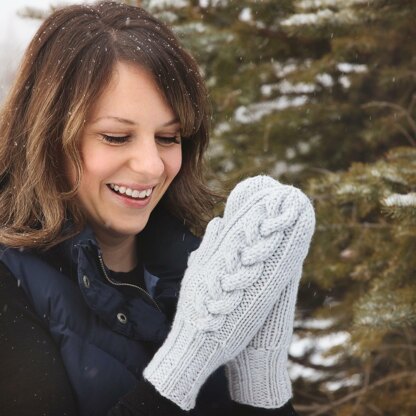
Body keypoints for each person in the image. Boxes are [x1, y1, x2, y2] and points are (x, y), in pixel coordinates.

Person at [0, 2, 315, 415]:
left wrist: (258, 373)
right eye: (116, 136)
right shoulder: (10, 285)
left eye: (168, 138)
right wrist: (186, 360)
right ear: (47, 137)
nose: (151, 166)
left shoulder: (198, 268)